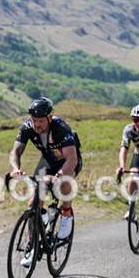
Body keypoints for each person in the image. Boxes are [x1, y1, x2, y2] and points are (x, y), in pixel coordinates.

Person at [9, 97, 82, 265]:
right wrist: (15, 169)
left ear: (50, 118)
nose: (37, 124)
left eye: (41, 121)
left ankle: (66, 214)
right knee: (33, 202)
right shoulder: (28, 127)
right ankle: (32, 246)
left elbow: (72, 159)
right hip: (48, 161)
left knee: (64, 183)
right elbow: (16, 152)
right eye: (34, 120)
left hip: (67, 161)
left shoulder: (61, 128)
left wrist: (59, 175)